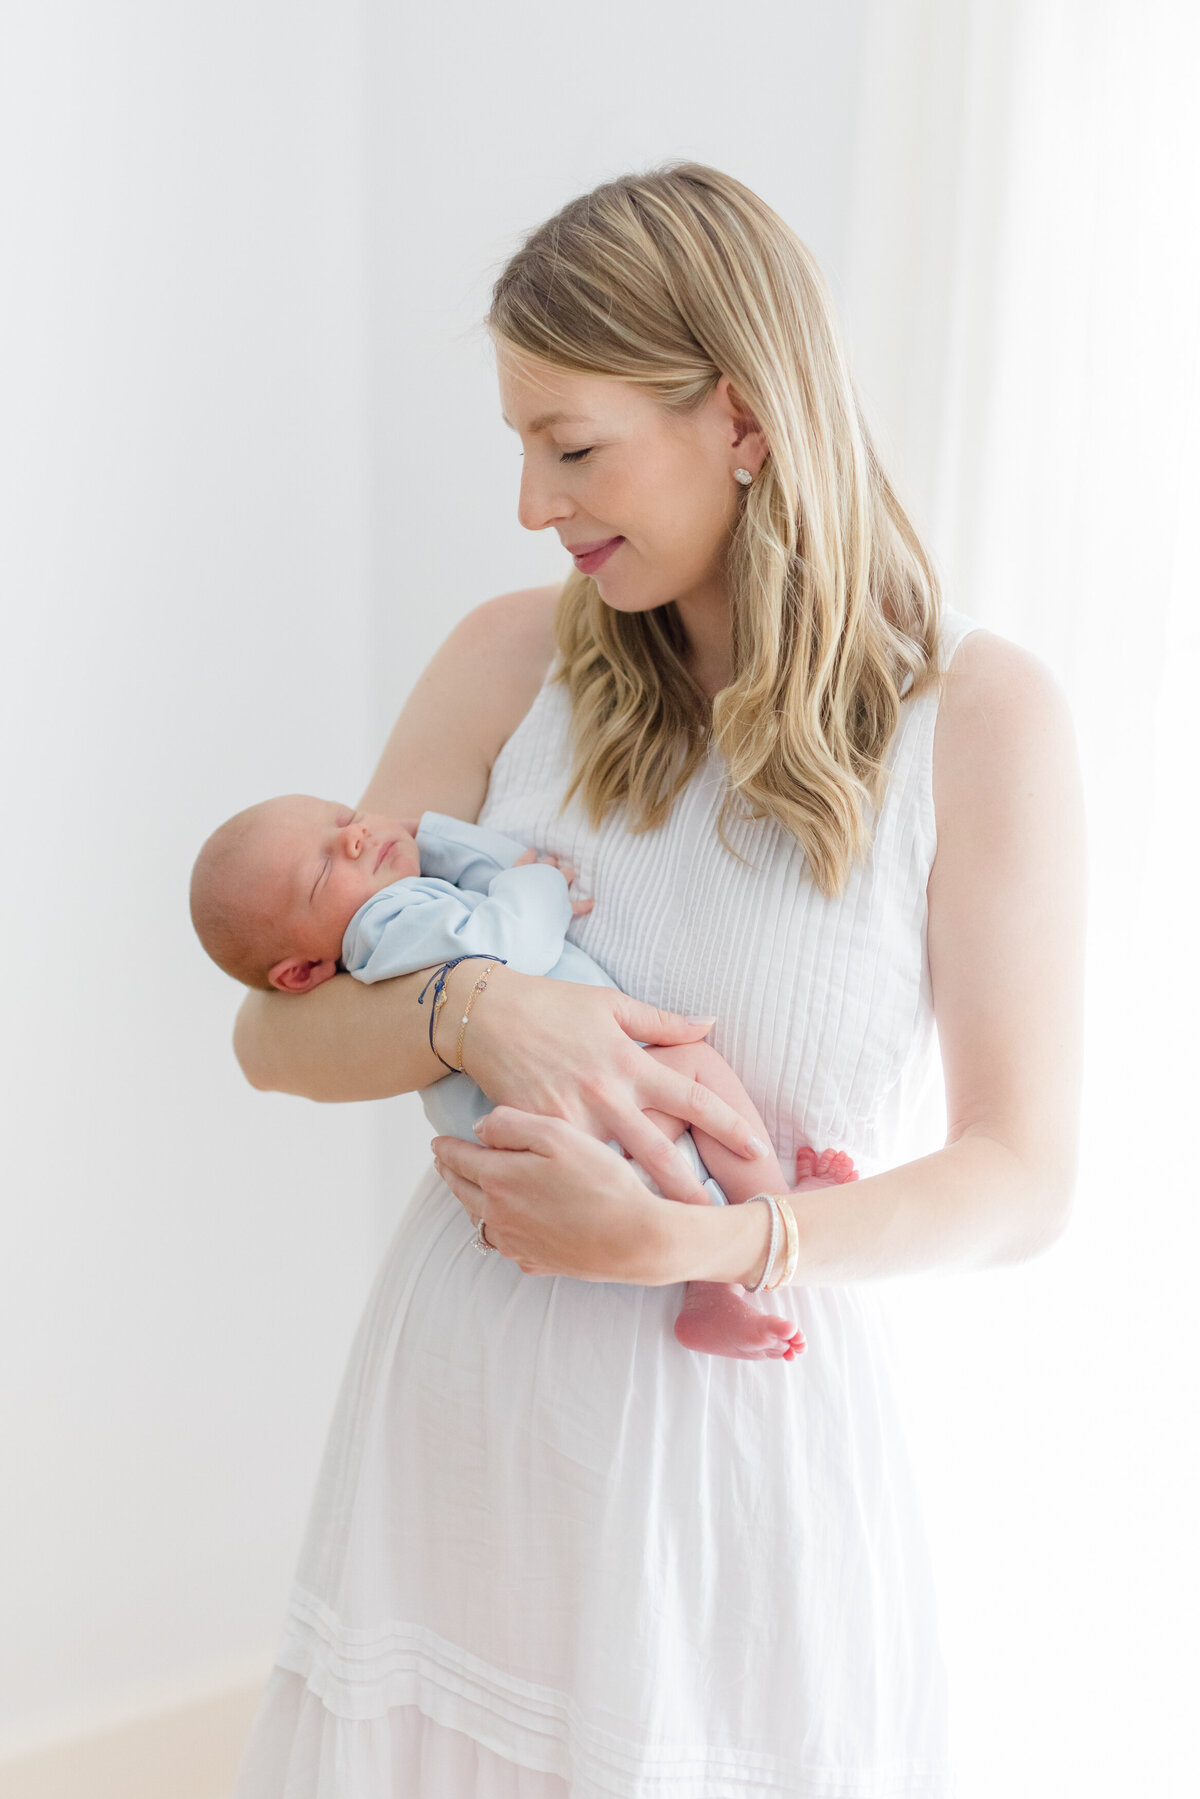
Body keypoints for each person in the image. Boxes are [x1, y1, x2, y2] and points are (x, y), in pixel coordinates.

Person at [230, 162, 1085, 1797]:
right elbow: (276, 1025)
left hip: (728, 1462)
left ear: (744, 422)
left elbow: (1023, 1177)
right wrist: (479, 1009)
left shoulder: (978, 719)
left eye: (572, 445)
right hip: (460, 1434)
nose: (535, 505)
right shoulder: (509, 657)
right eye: (521, 446)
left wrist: (700, 1238)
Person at [188, 793, 857, 1358]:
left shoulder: (398, 917)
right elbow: (512, 939)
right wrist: (543, 884)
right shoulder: (385, 927)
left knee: (671, 1169)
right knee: (697, 1075)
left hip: (550, 1130)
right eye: (325, 866)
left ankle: (712, 1288)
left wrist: (435, 836)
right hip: (565, 1112)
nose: (358, 837)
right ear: (302, 972)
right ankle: (781, 1211)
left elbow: (482, 870)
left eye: (343, 819)